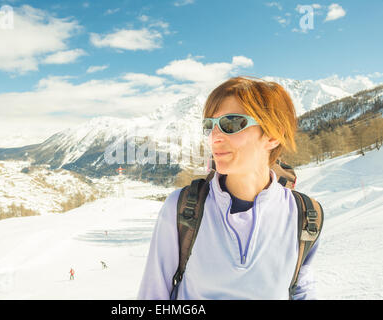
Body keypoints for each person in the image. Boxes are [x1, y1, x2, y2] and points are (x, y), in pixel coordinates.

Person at [137, 76, 320, 300]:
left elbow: (302, 293)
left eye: (231, 123)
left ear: (273, 135)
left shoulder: (306, 216)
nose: (214, 137)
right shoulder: (183, 209)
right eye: (209, 126)